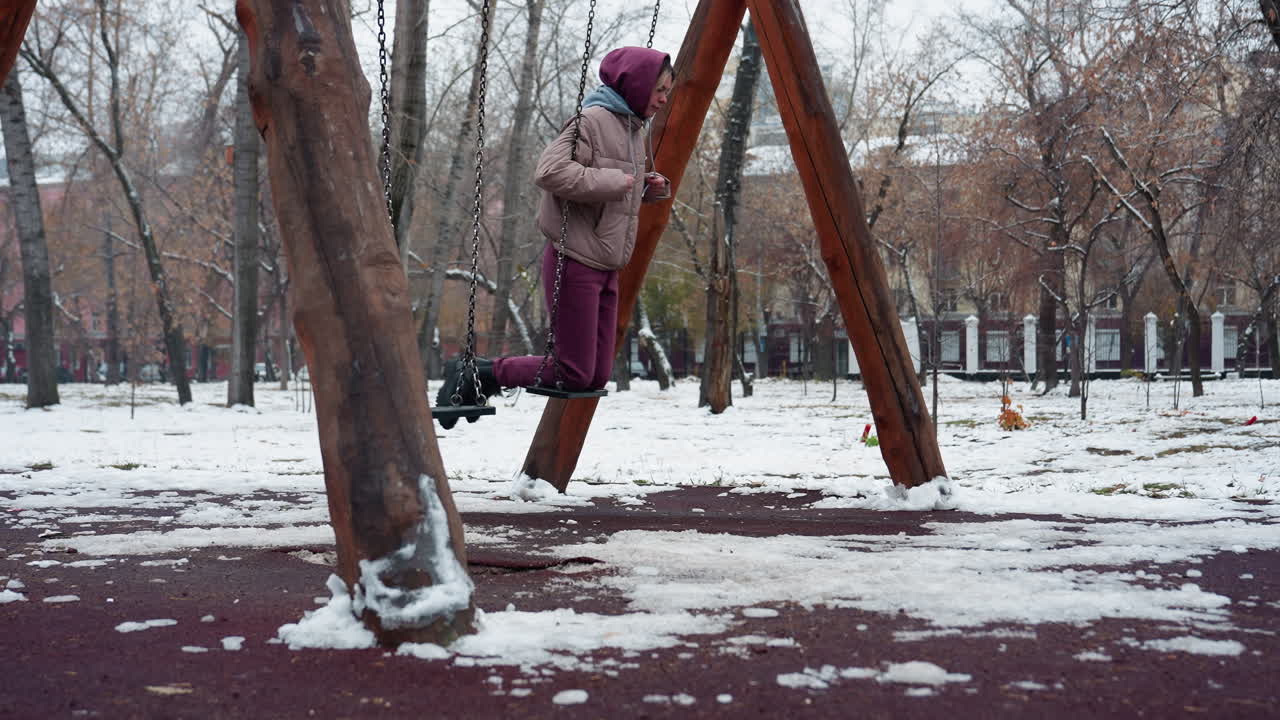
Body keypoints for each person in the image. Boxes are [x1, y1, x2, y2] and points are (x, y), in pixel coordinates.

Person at [436, 46, 674, 425]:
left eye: (667, 92)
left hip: (609, 263)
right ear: (637, 83)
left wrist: (644, 188)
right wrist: (618, 181)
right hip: (575, 259)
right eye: (659, 89)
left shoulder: (633, 130)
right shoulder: (592, 120)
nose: (664, 99)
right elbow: (549, 172)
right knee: (573, 372)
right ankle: (482, 372)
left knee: (595, 376)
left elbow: (607, 189)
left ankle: (479, 372)